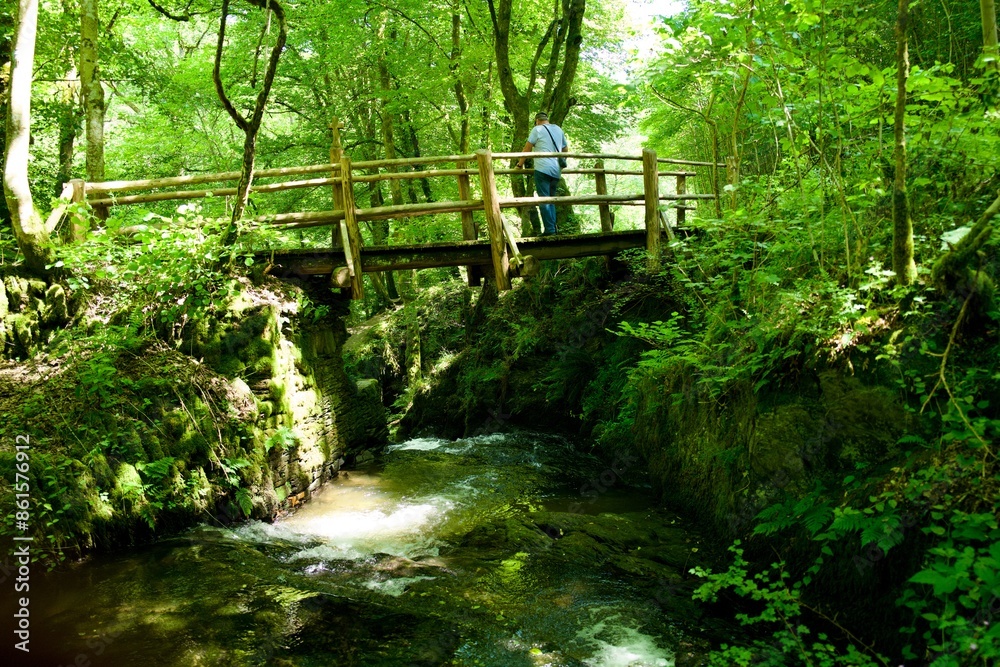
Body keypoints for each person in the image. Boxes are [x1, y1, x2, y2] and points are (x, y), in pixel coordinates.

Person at [516, 111, 568, 235]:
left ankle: (550, 230)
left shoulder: (537, 129)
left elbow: (527, 148)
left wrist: (520, 164)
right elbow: (565, 149)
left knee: (544, 199)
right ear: (547, 120)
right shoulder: (558, 129)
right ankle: (553, 228)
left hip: (542, 169)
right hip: (556, 171)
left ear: (537, 121)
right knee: (551, 199)